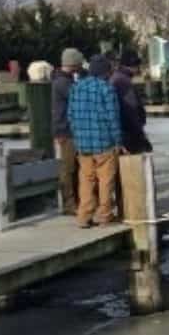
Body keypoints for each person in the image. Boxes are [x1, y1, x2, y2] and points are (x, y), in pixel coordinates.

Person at [67, 55, 123, 227]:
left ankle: (84, 215)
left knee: (86, 179)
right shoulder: (107, 89)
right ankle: (104, 215)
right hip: (104, 142)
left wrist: (77, 136)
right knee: (106, 180)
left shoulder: (76, 87)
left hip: (83, 144)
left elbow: (70, 116)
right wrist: (118, 141)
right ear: (105, 72)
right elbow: (113, 118)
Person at [52, 47, 85, 215]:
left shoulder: (67, 80)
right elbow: (78, 97)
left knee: (75, 167)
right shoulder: (63, 83)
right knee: (68, 168)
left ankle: (76, 201)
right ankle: (69, 203)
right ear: (73, 63)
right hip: (66, 131)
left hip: (70, 130)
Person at [111, 49, 152, 154]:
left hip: (121, 130)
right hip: (128, 133)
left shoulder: (116, 78)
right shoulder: (123, 82)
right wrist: (140, 134)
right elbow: (131, 109)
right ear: (134, 65)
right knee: (133, 165)